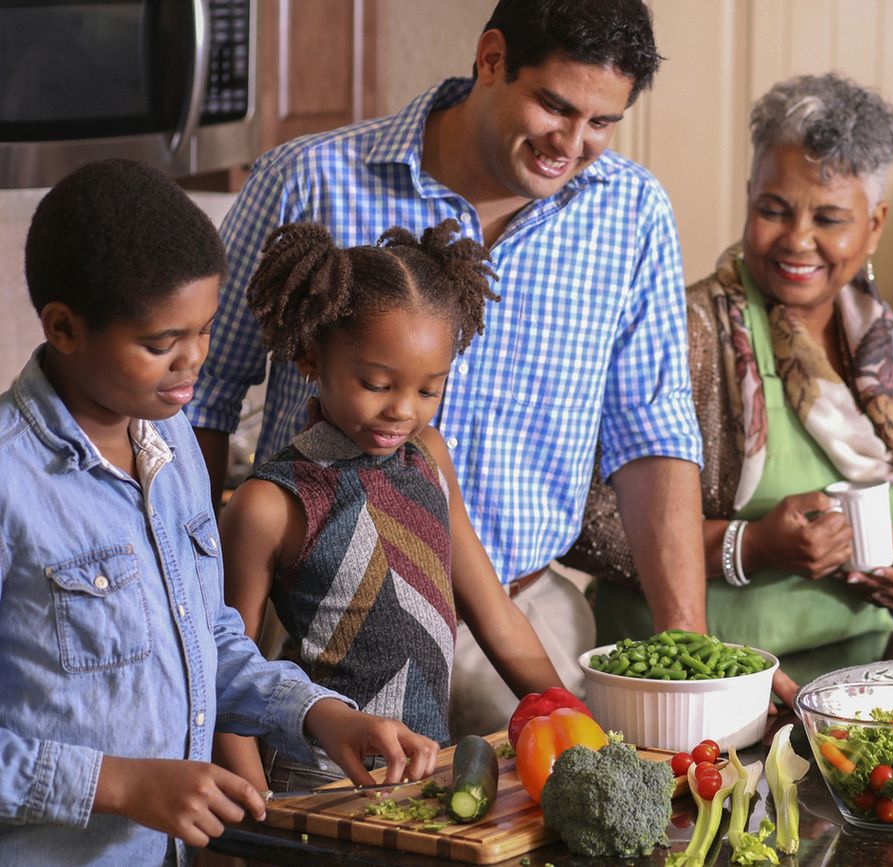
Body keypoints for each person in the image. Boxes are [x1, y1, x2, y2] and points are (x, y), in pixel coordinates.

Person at [183, 0, 706, 736]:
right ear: (491, 58)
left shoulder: (634, 213)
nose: (574, 142)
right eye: (555, 106)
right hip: (308, 631)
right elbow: (199, 394)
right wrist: (196, 606)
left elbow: (653, 431)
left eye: (602, 122)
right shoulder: (309, 178)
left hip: (521, 617)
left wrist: (689, 652)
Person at [0, 158, 438, 865]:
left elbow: (204, 637)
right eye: (160, 343)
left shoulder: (169, 440)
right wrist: (116, 782)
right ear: (64, 327)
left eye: (203, 329)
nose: (194, 361)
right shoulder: (10, 481)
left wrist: (319, 714)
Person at [563, 74, 893, 691]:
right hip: (689, 685)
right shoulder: (686, 330)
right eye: (774, 209)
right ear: (748, 197)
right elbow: (580, 521)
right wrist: (753, 545)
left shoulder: (884, 340)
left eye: (829, 217)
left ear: (874, 225)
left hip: (860, 686)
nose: (797, 240)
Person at [212, 219, 565, 793]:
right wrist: (253, 816)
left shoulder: (429, 456)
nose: (403, 410)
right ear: (309, 356)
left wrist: (568, 712)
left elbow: (493, 612)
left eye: (429, 389)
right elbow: (226, 674)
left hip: (425, 769)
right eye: (376, 384)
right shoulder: (270, 503)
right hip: (315, 782)